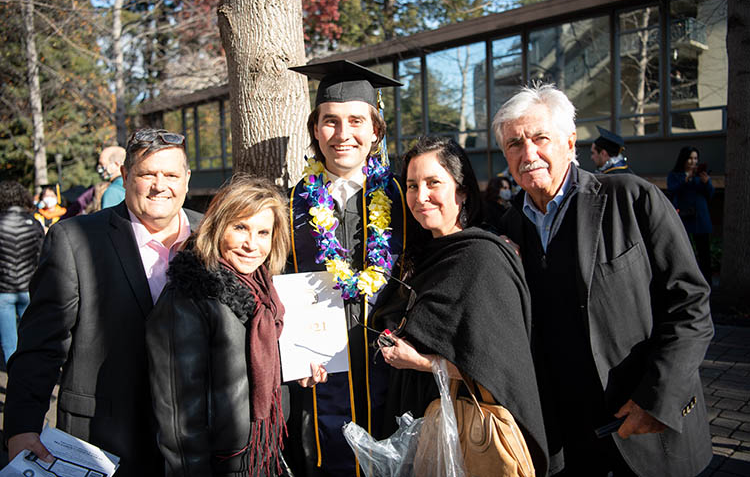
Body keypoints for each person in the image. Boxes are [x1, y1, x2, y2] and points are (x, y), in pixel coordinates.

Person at [492, 84, 713, 477]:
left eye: (540, 137)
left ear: (570, 141)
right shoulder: (506, 230)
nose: (528, 154)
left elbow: (691, 304)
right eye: (514, 143)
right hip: (569, 441)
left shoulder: (631, 199)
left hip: (646, 428)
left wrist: (658, 398)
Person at [4, 128, 202, 477]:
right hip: (102, 441)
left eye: (171, 174)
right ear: (125, 176)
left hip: (197, 437)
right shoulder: (75, 240)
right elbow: (41, 345)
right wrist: (22, 427)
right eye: (147, 174)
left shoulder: (214, 237)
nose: (160, 185)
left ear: (186, 178)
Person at [375, 136, 548, 475]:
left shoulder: (483, 259)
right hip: (425, 432)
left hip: (470, 440)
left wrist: (422, 362)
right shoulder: (421, 255)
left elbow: (501, 368)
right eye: (411, 185)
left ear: (463, 190)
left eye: (432, 183)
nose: (420, 196)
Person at [148, 176, 320, 476]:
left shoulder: (267, 293)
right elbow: (178, 415)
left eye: (263, 232)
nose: (252, 244)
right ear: (217, 228)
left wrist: (296, 373)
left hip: (268, 457)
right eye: (240, 227)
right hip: (220, 468)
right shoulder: (190, 296)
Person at [284, 59, 407, 477]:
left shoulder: (406, 197)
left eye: (356, 120)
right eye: (330, 121)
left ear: (376, 130)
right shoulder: (289, 206)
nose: (343, 134)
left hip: (396, 380)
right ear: (315, 131)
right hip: (316, 387)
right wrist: (291, 357)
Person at [0, 181, 44, 367]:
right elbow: (43, 255)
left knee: (9, 343)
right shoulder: (33, 223)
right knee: (33, 338)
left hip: (3, 290)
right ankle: (30, 377)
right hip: (29, 288)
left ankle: (14, 380)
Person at [667, 146, 714, 284]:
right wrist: (686, 179)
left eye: (695, 158)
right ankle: (687, 281)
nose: (693, 161)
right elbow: (672, 190)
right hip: (684, 218)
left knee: (704, 253)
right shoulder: (675, 175)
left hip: (700, 218)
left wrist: (707, 183)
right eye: (690, 158)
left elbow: (710, 195)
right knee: (685, 252)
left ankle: (707, 282)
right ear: (684, 159)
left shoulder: (701, 176)